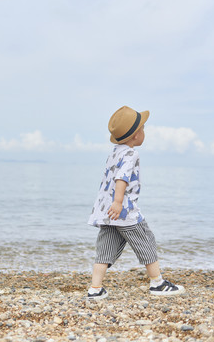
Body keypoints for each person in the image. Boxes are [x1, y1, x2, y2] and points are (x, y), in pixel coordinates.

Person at [86, 106, 185, 300]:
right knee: (145, 240)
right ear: (136, 136)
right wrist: (118, 202)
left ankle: (95, 289)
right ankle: (157, 283)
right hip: (124, 211)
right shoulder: (131, 154)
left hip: (108, 212)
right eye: (143, 129)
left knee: (105, 249)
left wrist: (113, 204)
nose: (144, 132)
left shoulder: (114, 152)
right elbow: (121, 178)